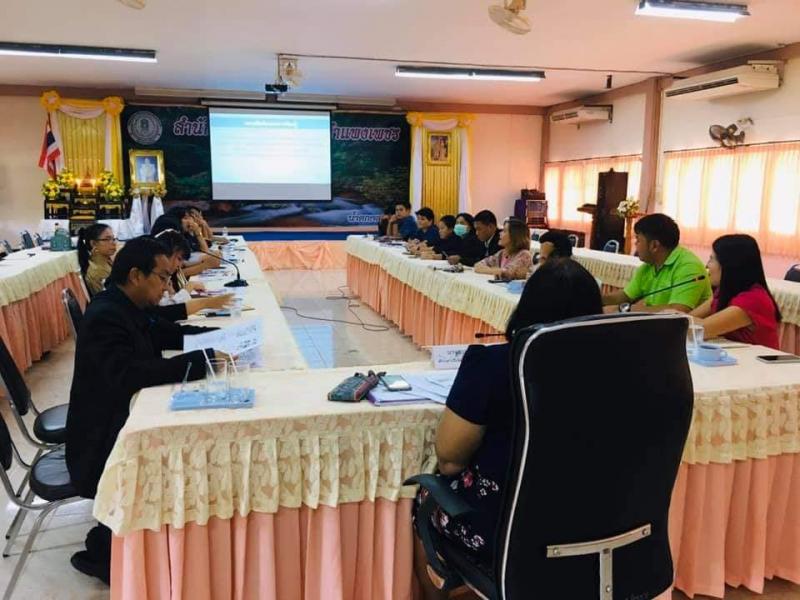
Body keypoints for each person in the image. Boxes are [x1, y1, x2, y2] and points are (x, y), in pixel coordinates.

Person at [413, 260, 604, 599]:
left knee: (425, 497)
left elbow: (450, 461)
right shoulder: (619, 370)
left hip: (508, 531)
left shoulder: (492, 366)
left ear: (525, 307)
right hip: (597, 520)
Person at [66, 237, 228, 583]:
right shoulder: (107, 315)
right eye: (163, 278)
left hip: (117, 416)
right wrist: (201, 361)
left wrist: (219, 338)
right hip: (101, 436)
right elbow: (129, 374)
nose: (167, 287)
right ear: (136, 275)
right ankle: (122, 551)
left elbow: (162, 335)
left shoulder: (127, 304)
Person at [602, 213, 710, 313]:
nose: (635, 244)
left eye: (638, 240)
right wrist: (596, 300)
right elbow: (625, 296)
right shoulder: (649, 266)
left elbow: (677, 311)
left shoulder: (689, 267)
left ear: (654, 245)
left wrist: (626, 309)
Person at [689, 234, 781, 349]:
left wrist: (675, 318)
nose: (707, 265)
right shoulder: (725, 290)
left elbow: (702, 330)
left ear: (729, 265)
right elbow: (690, 317)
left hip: (754, 359)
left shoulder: (753, 299)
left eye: (712, 259)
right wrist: (674, 315)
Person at [154, 229, 235, 316]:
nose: (179, 265)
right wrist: (205, 302)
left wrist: (199, 229)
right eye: (179, 259)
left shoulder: (165, 275)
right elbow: (170, 309)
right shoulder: (154, 276)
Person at [77, 224, 117, 297]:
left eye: (113, 239)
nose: (114, 243)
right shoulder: (97, 271)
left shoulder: (106, 262)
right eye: (107, 239)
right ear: (93, 243)